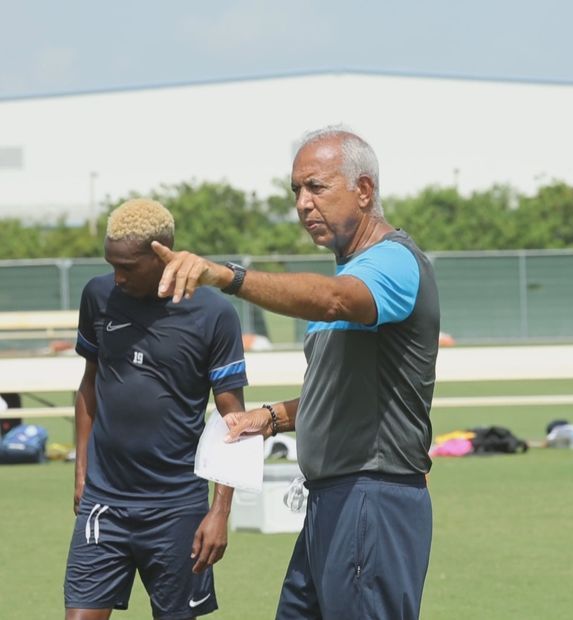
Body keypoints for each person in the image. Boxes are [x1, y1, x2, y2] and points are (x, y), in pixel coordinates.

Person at [152, 125, 440, 619]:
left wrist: (227, 276)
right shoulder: (348, 276)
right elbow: (343, 393)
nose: (303, 203)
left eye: (317, 187)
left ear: (364, 190)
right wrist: (271, 418)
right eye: (296, 191)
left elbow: (334, 301)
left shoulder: (392, 262)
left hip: (372, 495)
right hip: (330, 499)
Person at [64, 199, 248, 619]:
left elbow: (232, 419)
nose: (118, 276)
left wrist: (220, 511)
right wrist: (81, 473)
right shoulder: (98, 296)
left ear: (162, 254)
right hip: (104, 502)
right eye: (112, 264)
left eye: (128, 266)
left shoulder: (214, 314)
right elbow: (89, 386)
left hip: (177, 507)